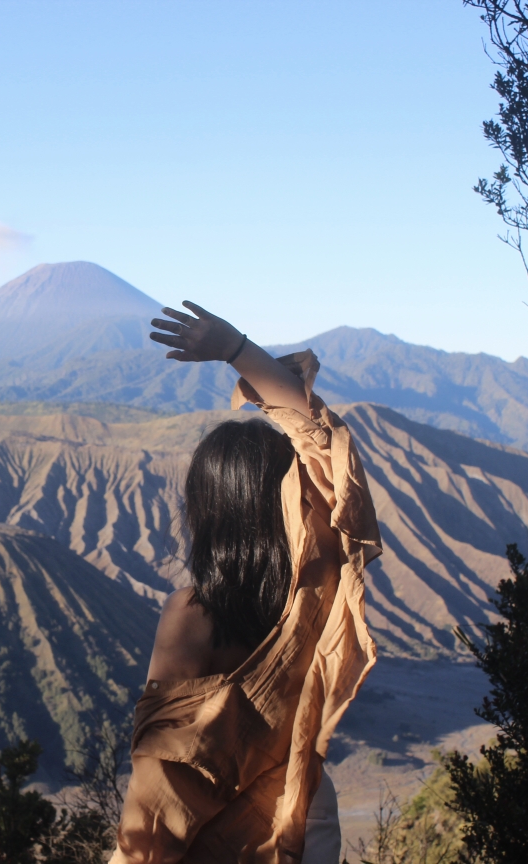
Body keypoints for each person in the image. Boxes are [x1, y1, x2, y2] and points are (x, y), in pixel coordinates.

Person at [109, 302, 382, 864]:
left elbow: (162, 777)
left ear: (207, 514)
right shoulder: (316, 589)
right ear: (288, 501)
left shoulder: (189, 616)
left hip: (215, 840)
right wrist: (236, 348)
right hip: (306, 820)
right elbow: (321, 443)